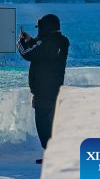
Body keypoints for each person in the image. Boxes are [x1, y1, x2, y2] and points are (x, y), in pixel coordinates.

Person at [18, 13, 69, 163]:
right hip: (54, 89)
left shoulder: (48, 42)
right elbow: (41, 49)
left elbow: (28, 53)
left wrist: (21, 41)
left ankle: (52, 153)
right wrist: (32, 40)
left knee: (43, 124)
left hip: (44, 90)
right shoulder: (59, 41)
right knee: (51, 122)